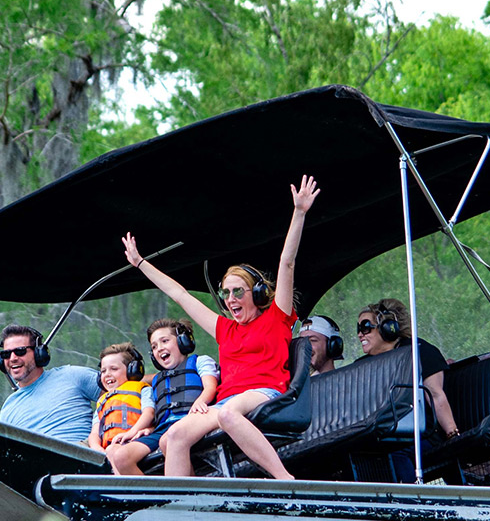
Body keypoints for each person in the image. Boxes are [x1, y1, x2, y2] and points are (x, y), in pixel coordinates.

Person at [121, 175, 319, 479]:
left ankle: (286, 479)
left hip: (265, 393)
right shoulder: (225, 328)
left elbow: (287, 262)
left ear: (256, 294)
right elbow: (180, 294)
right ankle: (179, 507)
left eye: (238, 291)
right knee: (174, 436)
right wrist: (140, 263)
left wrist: (300, 212)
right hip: (226, 400)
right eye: (226, 293)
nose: (230, 299)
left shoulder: (276, 316)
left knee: (228, 414)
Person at [103, 319, 221, 475]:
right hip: (162, 429)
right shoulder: (156, 381)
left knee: (170, 439)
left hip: (192, 420)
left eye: (165, 341)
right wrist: (146, 429)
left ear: (183, 341)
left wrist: (200, 401)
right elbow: (153, 411)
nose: (159, 349)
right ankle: (153, 499)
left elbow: (210, 387)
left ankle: (181, 496)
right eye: (154, 346)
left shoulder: (199, 361)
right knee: (120, 457)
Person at [353, 299, 459, 439]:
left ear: (387, 327)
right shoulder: (361, 365)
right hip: (376, 437)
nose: (360, 334)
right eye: (358, 328)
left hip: (416, 437)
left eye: (365, 327)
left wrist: (453, 435)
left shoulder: (419, 351)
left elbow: (436, 396)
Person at [0, 324, 100, 444]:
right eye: (6, 354)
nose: (13, 358)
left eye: (20, 351)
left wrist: (97, 431)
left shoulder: (72, 375)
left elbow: (120, 392)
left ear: (39, 353)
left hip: (78, 455)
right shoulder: (8, 408)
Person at [87, 343, 147, 452]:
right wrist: (97, 448)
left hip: (135, 442)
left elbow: (150, 413)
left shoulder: (142, 390)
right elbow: (94, 433)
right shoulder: (102, 401)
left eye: (114, 369)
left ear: (132, 370)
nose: (107, 374)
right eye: (103, 371)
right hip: (108, 449)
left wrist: (132, 432)